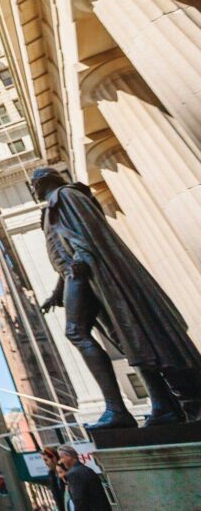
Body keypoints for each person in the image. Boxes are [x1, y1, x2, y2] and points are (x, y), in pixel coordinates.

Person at [33, 167, 201, 429]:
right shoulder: (50, 209)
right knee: (129, 340)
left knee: (77, 332)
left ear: (45, 181)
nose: (33, 187)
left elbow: (85, 232)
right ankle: (164, 405)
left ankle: (117, 409)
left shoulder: (66, 195)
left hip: (86, 270)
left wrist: (81, 258)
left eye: (35, 182)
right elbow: (62, 253)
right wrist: (57, 293)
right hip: (77, 274)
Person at [57, 444, 111, 511]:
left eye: (61, 457)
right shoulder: (88, 469)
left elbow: (79, 500)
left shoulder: (73, 474)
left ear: (69, 456)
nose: (60, 461)